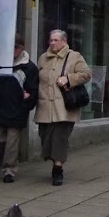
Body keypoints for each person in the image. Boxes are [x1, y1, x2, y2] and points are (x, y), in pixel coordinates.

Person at [36, 28, 92, 187]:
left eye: (55, 40)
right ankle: (55, 161)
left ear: (64, 41)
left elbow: (86, 74)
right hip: (45, 107)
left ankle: (58, 169)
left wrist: (68, 78)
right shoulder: (43, 58)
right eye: (51, 40)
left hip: (64, 108)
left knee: (59, 138)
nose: (52, 43)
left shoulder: (74, 56)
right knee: (45, 137)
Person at [0, 42, 39, 183]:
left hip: (17, 110)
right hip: (0, 109)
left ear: (21, 48)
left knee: (11, 144)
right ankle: (7, 160)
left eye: (15, 47)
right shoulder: (1, 63)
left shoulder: (29, 67)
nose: (12, 50)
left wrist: (25, 105)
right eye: (10, 47)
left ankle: (9, 170)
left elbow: (33, 92)